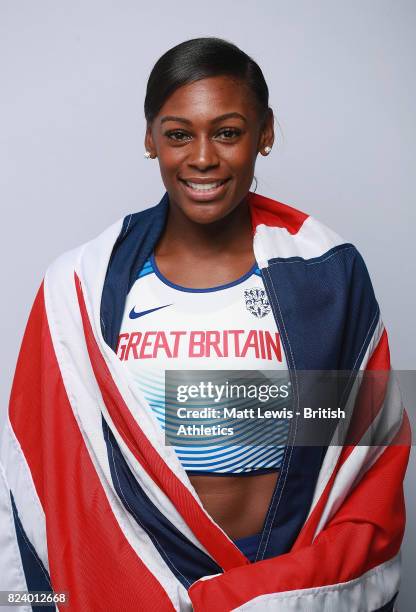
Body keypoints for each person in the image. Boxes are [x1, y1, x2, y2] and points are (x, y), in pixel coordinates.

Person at [0, 37, 410, 611]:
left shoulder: (325, 274)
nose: (201, 158)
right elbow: (46, 468)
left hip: (281, 576)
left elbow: (365, 448)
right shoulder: (83, 287)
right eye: (177, 134)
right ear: (150, 140)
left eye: (227, 132)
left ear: (264, 133)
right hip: (138, 576)